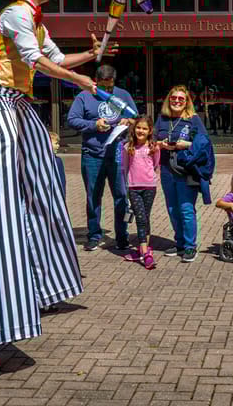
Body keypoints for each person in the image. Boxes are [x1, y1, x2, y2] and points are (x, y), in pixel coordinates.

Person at [0, 0, 101, 376]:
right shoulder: (15, 15)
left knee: (43, 171)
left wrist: (91, 54)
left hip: (18, 100)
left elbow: (56, 57)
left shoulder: (38, 22)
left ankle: (47, 281)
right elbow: (38, 62)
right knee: (5, 176)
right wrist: (78, 80)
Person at [66, 64, 137, 252]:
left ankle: (122, 236)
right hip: (92, 154)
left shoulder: (123, 95)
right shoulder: (84, 96)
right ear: (96, 80)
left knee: (121, 196)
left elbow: (136, 117)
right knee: (93, 197)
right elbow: (72, 120)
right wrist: (93, 124)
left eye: (110, 85)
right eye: (104, 86)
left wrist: (128, 121)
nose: (107, 90)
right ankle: (94, 235)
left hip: (117, 153)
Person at [155, 85, 208, 263]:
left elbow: (204, 143)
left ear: (186, 102)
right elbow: (152, 139)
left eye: (181, 99)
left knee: (186, 209)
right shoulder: (162, 119)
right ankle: (179, 243)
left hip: (185, 169)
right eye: (174, 98)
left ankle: (190, 246)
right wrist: (160, 144)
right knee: (172, 208)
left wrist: (184, 144)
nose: (177, 101)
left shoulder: (193, 119)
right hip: (166, 169)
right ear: (168, 100)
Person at [121, 116, 161, 270]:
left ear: (150, 131)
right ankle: (146, 254)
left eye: (144, 128)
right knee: (140, 218)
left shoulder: (153, 147)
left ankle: (143, 249)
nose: (141, 131)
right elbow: (124, 168)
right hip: (134, 187)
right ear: (134, 129)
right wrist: (126, 186)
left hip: (150, 187)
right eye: (138, 128)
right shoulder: (127, 147)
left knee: (145, 217)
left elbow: (156, 163)